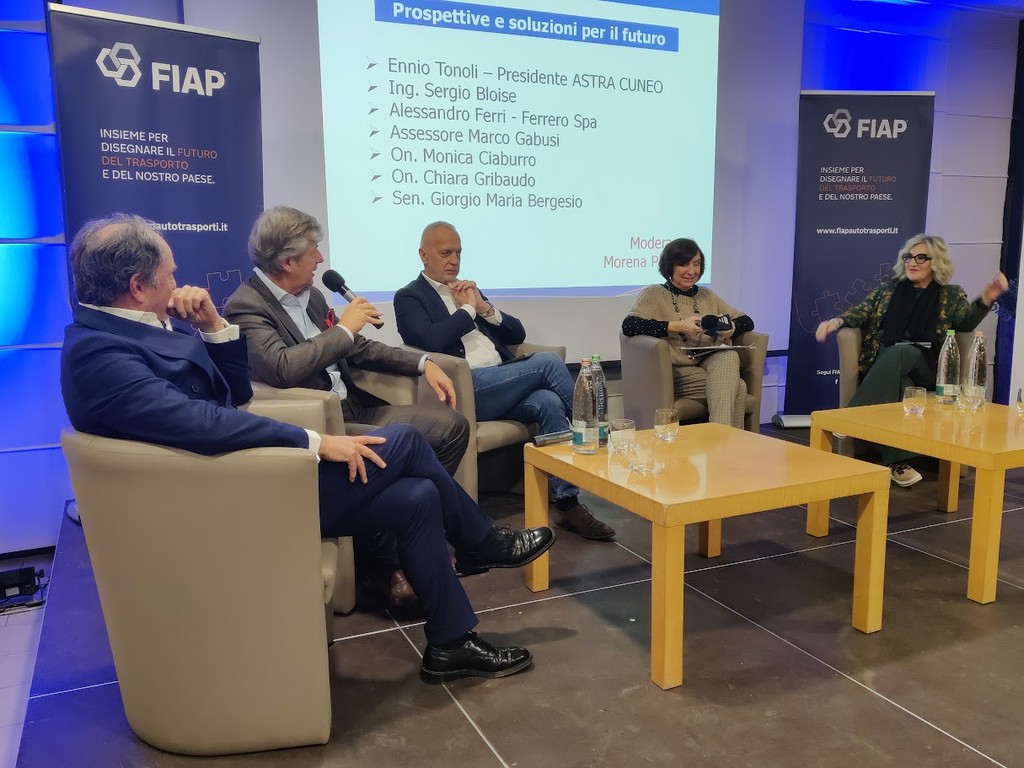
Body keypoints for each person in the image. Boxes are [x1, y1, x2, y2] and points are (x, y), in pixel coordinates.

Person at [60, 214, 555, 684]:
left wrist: (212, 328)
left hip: (241, 474)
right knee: (405, 440)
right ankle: (478, 540)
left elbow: (235, 396)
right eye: (170, 274)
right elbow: (203, 421)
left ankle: (452, 641)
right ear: (137, 286)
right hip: (224, 499)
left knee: (418, 497)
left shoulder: (133, 328)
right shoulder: (98, 354)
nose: (178, 282)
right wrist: (316, 442)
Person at [225, 206, 470, 613]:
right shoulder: (246, 306)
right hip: (324, 424)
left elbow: (357, 347)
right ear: (287, 261)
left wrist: (422, 362)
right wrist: (343, 328)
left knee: (450, 428)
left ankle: (401, 547)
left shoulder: (311, 295)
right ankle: (389, 563)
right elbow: (283, 367)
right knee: (408, 445)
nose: (320, 258)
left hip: (355, 406)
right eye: (313, 251)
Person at [394, 221, 616, 542]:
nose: (454, 260)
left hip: (501, 379)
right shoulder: (409, 297)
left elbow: (516, 333)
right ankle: (601, 434)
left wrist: (484, 308)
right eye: (445, 253)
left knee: (549, 403)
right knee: (548, 363)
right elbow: (430, 340)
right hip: (465, 388)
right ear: (423, 255)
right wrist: (467, 310)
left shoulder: (468, 290)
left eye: (458, 253)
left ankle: (567, 503)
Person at [815, 233, 1008, 487]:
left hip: (925, 364)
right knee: (903, 384)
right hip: (887, 364)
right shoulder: (888, 290)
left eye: (920, 258)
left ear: (936, 262)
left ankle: (850, 419)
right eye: (908, 257)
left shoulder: (949, 294)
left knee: (902, 352)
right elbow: (861, 311)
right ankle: (897, 464)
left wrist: (986, 297)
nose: (912, 262)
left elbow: (965, 322)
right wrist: (836, 321)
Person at [621, 238, 753, 429]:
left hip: (707, 363)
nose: (692, 271)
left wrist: (732, 326)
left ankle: (721, 440)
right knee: (738, 387)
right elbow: (630, 325)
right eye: (684, 264)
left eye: (696, 264)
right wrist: (677, 326)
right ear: (670, 266)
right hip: (672, 373)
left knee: (729, 355)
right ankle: (726, 442)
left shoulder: (707, 295)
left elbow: (747, 321)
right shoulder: (654, 294)